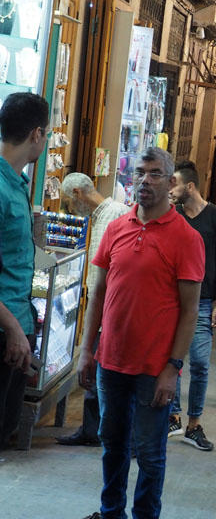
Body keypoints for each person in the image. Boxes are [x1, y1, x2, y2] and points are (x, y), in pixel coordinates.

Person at [62, 147, 205, 519]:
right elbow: (100, 294)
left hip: (152, 368)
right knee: (112, 442)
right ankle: (110, 517)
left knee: (150, 452)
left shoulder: (187, 238)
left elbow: (190, 310)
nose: (145, 180)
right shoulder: (117, 227)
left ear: (171, 184)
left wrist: (172, 368)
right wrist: (88, 349)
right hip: (111, 360)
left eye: (155, 174)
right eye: (140, 173)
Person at [56, 173, 129, 446]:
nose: (69, 209)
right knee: (93, 369)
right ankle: (91, 429)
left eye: (68, 202)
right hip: (100, 306)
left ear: (77, 193)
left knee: (102, 372)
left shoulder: (116, 214)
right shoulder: (101, 216)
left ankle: (102, 431)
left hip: (110, 308)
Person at [168, 160, 216, 451]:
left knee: (201, 364)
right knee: (173, 361)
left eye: (175, 184)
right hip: (173, 300)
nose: (171, 189)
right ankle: (173, 416)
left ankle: (194, 424)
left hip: (204, 303)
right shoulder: (173, 215)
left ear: (189, 186)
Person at [0, 93, 49, 449]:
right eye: (46, 134)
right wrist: (14, 329)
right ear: (36, 134)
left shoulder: (17, 183)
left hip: (16, 326)